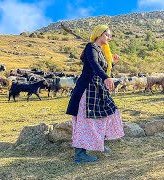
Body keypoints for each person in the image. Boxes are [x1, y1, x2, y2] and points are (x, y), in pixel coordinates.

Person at [66, 24, 125, 163]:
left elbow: (102, 67)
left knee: (108, 112)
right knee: (85, 118)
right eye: (107, 35)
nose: (109, 38)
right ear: (99, 34)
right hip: (88, 88)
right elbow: (94, 65)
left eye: (110, 36)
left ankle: (98, 144)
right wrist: (106, 77)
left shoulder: (100, 50)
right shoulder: (90, 47)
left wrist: (113, 63)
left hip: (98, 88)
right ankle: (80, 153)